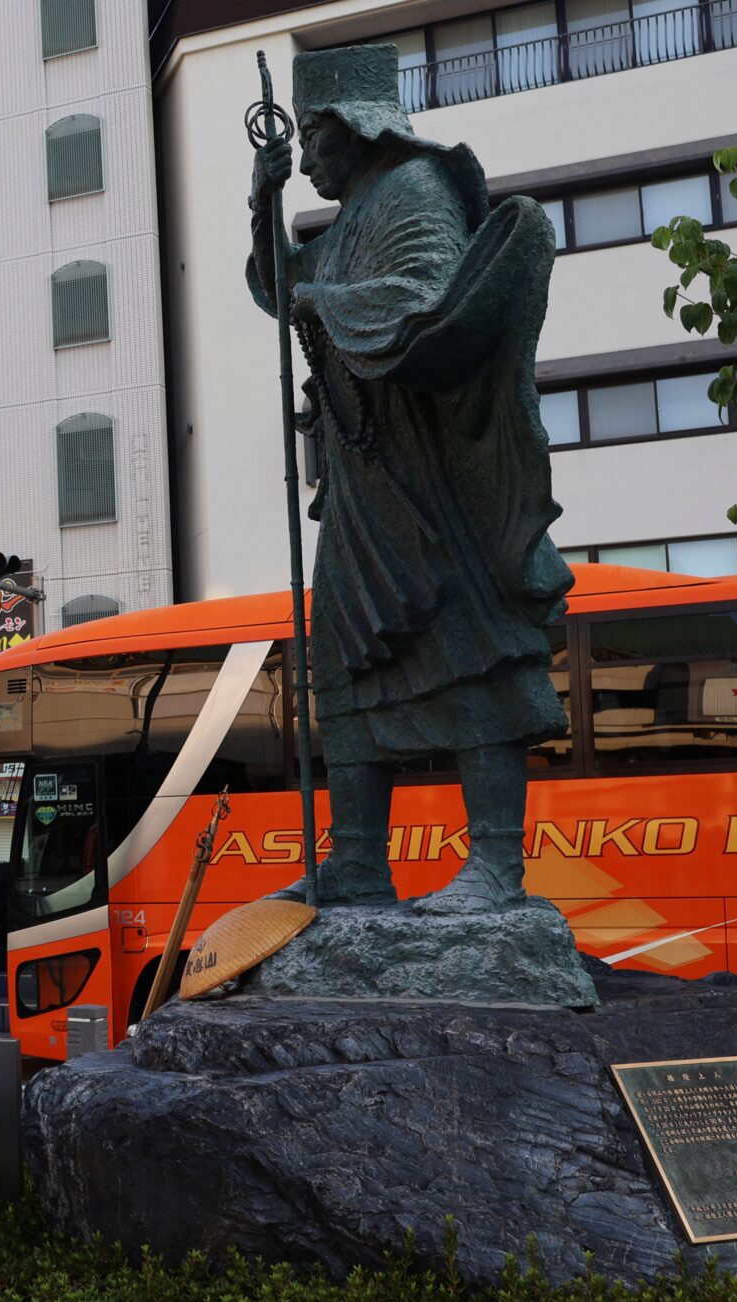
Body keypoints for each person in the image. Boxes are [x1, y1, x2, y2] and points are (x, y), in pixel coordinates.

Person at [248, 44, 569, 913]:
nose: (308, 158)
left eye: (314, 140)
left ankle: (497, 864)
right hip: (359, 483)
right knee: (343, 661)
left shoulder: (416, 195)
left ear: (357, 127)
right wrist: (262, 201)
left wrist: (329, 303)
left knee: (469, 652)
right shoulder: (348, 217)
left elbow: (429, 301)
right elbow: (283, 290)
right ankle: (356, 861)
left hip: (426, 479)